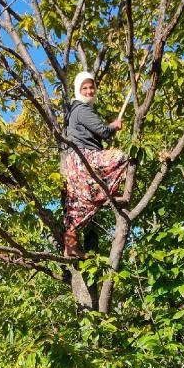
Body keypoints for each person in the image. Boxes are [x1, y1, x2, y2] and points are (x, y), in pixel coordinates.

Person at [63, 71, 129, 258]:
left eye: (91, 87)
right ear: (78, 90)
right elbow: (103, 131)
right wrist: (114, 126)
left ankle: (70, 246)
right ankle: (108, 191)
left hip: (75, 161)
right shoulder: (82, 109)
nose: (89, 91)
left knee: (77, 203)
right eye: (85, 87)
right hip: (83, 158)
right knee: (121, 157)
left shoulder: (76, 110)